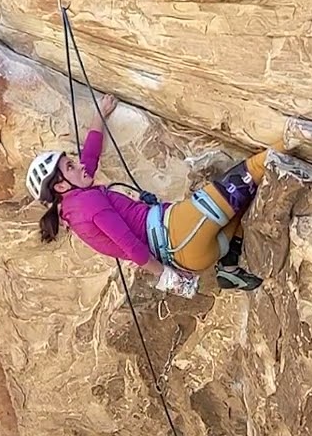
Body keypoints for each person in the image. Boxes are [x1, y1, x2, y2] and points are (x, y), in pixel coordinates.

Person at [26, 94, 271, 296]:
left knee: (244, 202)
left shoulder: (75, 205)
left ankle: (228, 266)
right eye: (70, 167)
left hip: (192, 255)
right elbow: (129, 245)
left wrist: (98, 116)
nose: (79, 165)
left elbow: (89, 158)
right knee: (256, 169)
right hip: (180, 232)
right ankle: (299, 136)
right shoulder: (88, 205)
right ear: (60, 186)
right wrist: (169, 278)